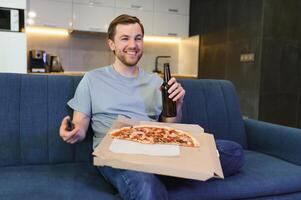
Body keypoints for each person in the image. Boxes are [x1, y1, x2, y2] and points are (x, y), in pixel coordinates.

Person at [59, 14, 244, 200]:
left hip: (156, 149)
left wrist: (177, 105)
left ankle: (164, 172)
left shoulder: (156, 82)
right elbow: (80, 125)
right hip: (116, 154)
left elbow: (169, 127)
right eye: (125, 38)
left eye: (138, 38)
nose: (133, 45)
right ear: (111, 44)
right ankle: (169, 174)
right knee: (145, 185)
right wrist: (73, 133)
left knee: (232, 151)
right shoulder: (92, 79)